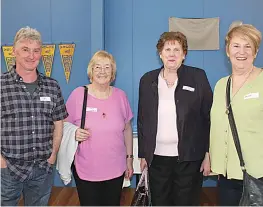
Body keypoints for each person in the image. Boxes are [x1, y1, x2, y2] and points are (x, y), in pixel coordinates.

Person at [137, 31, 213, 206]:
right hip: (156, 158)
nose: (172, 54)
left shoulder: (198, 77)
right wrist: (143, 154)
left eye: (177, 49)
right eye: (167, 49)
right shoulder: (147, 80)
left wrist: (208, 153)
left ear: (184, 54)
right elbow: (143, 119)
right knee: (159, 202)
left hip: (190, 158)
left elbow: (209, 117)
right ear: (160, 54)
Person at [1, 26, 68, 206]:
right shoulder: (1, 85)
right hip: (8, 168)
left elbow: (59, 123)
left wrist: (53, 154)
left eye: (36, 51)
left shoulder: (52, 86)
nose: (31, 56)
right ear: (14, 51)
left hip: (42, 168)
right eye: (25, 50)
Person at [66, 50, 134, 206]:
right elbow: (62, 125)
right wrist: (74, 132)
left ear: (113, 73)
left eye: (107, 67)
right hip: (86, 168)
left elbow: (127, 128)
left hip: (116, 168)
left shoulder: (121, 96)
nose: (102, 71)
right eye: (98, 67)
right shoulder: (78, 94)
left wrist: (129, 159)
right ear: (91, 71)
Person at [209, 24, 263, 206]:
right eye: (236, 46)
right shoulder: (220, 85)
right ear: (227, 50)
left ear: (255, 52)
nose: (242, 52)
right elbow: (217, 126)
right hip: (227, 176)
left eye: (248, 46)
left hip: (258, 175)